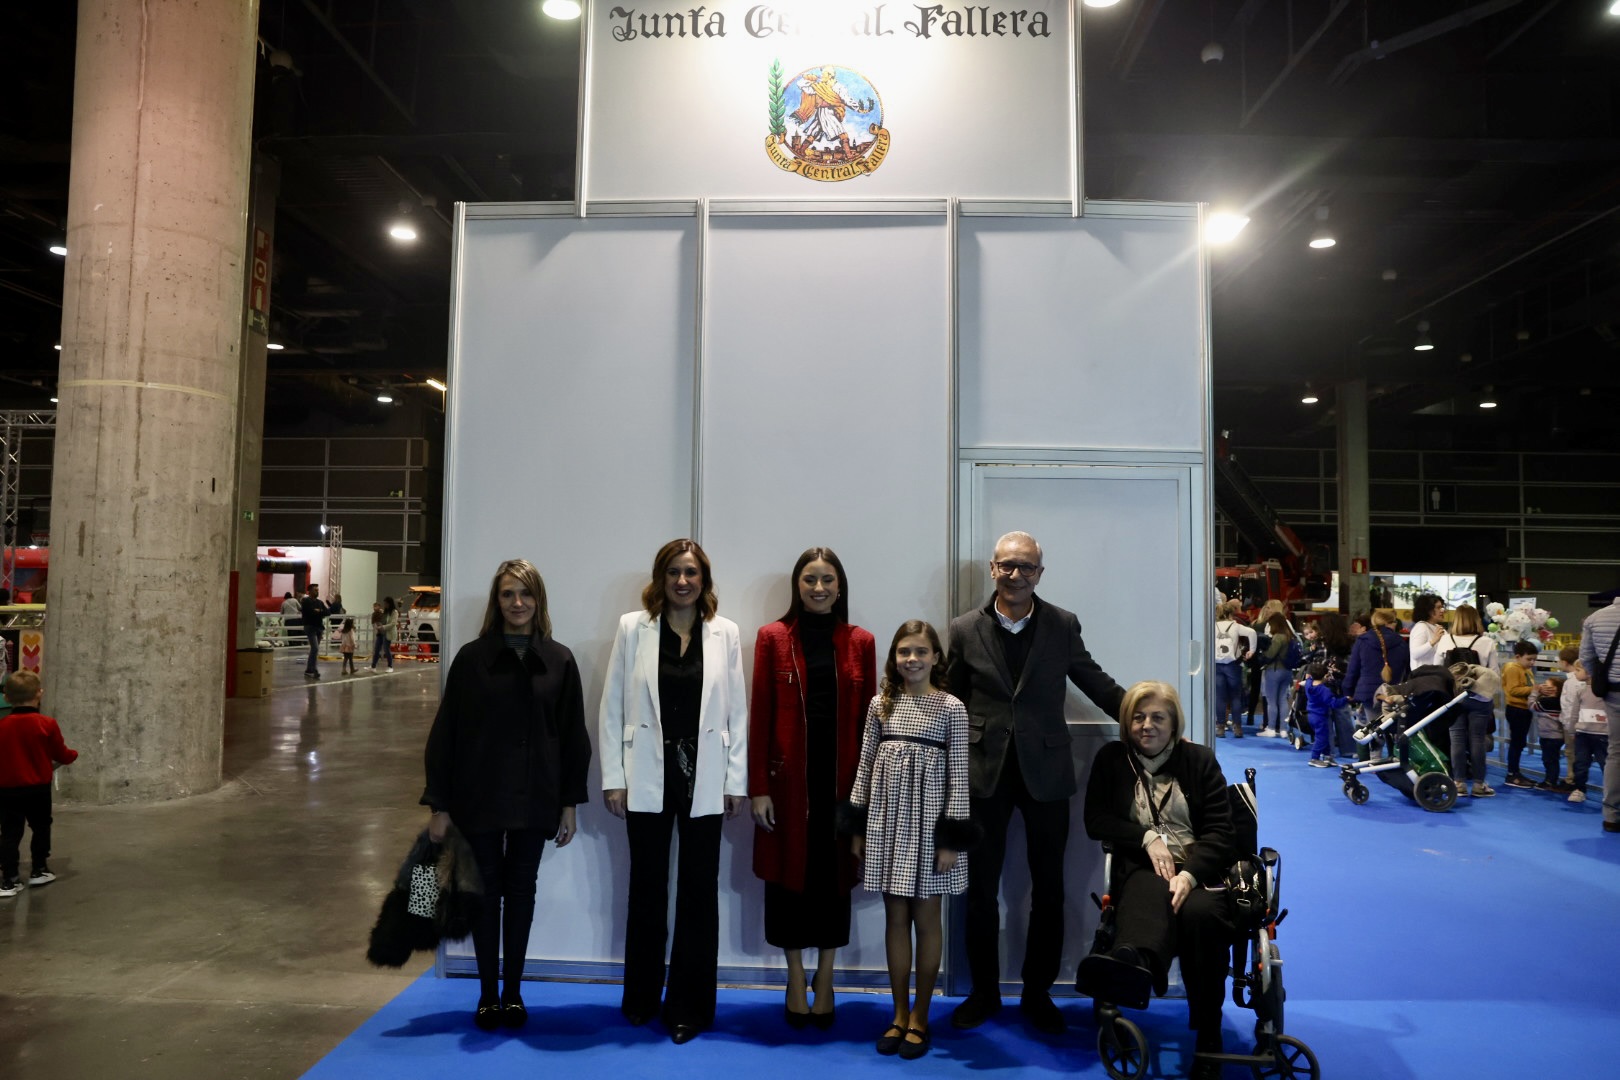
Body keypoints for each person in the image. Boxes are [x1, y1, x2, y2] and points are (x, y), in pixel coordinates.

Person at [946, 531, 1125, 1035]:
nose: (1016, 574)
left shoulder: (1062, 625)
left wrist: (1143, 717)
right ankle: (984, 992)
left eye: (1026, 567)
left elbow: (1096, 682)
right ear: (993, 569)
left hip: (1046, 774)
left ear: (1040, 574)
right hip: (982, 774)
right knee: (979, 892)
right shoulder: (963, 629)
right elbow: (947, 699)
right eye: (1007, 565)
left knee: (1049, 890)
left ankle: (1037, 992)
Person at [421, 559, 590, 1031]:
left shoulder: (560, 659)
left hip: (536, 795)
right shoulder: (472, 659)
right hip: (479, 794)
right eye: (508, 594)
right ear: (497, 602)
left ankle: (513, 993)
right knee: (484, 893)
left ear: (539, 599)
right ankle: (487, 995)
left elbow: (573, 737)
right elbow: (446, 733)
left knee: (521, 892)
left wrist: (570, 803)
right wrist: (439, 804)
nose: (518, 603)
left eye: (526, 593)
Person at [599, 539, 749, 1044]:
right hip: (646, 772)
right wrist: (614, 777)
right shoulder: (632, 628)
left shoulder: (725, 632)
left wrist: (735, 780)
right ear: (659, 578)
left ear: (704, 579)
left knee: (698, 893)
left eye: (691, 572)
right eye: (673, 572)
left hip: (704, 775)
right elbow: (612, 705)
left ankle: (690, 1006)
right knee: (646, 887)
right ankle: (642, 998)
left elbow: (737, 712)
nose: (682, 581)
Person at [1077, 681, 1236, 1080]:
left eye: (1157, 717)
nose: (1147, 725)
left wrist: (1190, 874)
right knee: (1147, 891)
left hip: (1200, 870)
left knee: (1201, 915)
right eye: (1138, 717)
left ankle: (1209, 1032)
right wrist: (1146, 837)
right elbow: (1096, 820)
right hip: (1141, 865)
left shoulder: (1199, 760)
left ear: (1174, 723)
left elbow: (1221, 832)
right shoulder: (1112, 759)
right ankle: (1136, 964)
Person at [748, 547, 876, 1028]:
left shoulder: (860, 641)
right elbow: (761, 714)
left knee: (832, 879)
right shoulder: (773, 638)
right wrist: (759, 786)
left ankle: (826, 976)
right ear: (797, 586)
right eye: (809, 579)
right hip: (787, 784)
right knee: (788, 878)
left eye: (827, 580)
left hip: (841, 783)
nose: (818, 588)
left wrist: (864, 798)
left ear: (840, 587)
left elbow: (869, 725)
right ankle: (795, 975)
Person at [842, 621, 975, 1060]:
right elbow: (864, 766)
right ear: (894, 657)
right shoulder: (881, 703)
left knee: (927, 918)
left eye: (921, 651)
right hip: (886, 823)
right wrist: (857, 826)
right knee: (894, 917)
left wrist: (951, 838)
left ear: (936, 657)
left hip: (930, 827)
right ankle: (898, 1014)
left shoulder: (951, 707)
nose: (912, 659)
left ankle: (921, 1015)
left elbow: (959, 777)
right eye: (904, 652)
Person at [0, 671, 79, 897]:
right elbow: (61, 753)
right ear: (39, 694)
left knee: (9, 832)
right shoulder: (46, 724)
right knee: (41, 826)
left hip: (6, 789)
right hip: (38, 789)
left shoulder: (2, 726)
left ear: (6, 697)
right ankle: (39, 869)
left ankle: (9, 880)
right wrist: (72, 755)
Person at [1577, 594, 1620, 834]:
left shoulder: (1595, 618)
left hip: (1614, 692)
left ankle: (1612, 814)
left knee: (1616, 752)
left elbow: (1586, 658)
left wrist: (1601, 677)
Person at [1344, 609, 1409, 759]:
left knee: (1372, 727)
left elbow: (1353, 669)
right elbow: (1406, 670)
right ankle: (1393, 758)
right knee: (1389, 727)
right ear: (1392, 623)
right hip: (1392, 692)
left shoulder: (1363, 640)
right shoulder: (1401, 642)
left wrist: (1348, 691)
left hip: (1368, 692)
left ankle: (1372, 760)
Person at [1448, 663, 1501, 798]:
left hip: (1456, 698)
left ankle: (1459, 784)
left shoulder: (1450, 664)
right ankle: (1479, 785)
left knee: (1457, 739)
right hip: (1481, 700)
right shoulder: (1484, 667)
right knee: (1478, 739)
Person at [1561, 658, 1607, 805]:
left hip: (1603, 735)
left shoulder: (1606, 692)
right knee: (1580, 763)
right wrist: (1572, 731)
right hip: (1583, 734)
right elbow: (1575, 712)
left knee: (1606, 765)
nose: (1575, 673)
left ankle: (1611, 793)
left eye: (1578, 670)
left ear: (1589, 672)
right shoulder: (1581, 691)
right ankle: (1579, 789)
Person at [1213, 601, 1255, 739]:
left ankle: (1220, 727)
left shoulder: (1213, 626)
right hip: (1233, 664)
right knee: (1235, 697)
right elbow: (1252, 632)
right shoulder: (1235, 626)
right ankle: (1237, 727)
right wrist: (1251, 650)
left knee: (1220, 697)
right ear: (1231, 613)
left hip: (1217, 664)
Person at [1501, 641, 1540, 789]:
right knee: (1516, 743)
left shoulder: (1526, 669)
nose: (1532, 662)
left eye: (1534, 659)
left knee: (1519, 743)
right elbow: (1513, 690)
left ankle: (1515, 772)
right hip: (1516, 709)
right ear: (1518, 656)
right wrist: (1534, 689)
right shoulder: (1513, 669)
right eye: (1529, 659)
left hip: (1524, 709)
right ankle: (1512, 774)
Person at [1256, 614, 1297, 738]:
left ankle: (1271, 728)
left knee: (1271, 701)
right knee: (1283, 700)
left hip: (1274, 671)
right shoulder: (1291, 636)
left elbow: (1270, 654)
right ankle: (1283, 729)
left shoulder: (1278, 637)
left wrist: (1262, 652)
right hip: (1287, 671)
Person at [1303, 663, 1346, 768]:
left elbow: (1308, 678)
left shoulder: (1309, 684)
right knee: (1321, 738)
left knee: (1324, 736)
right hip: (1320, 717)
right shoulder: (1324, 690)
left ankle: (1327, 756)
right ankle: (1314, 758)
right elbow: (1334, 704)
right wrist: (1346, 699)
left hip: (1311, 715)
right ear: (1325, 676)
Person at [1431, 604, 1496, 671]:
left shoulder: (1445, 639)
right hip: (1478, 677)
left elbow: (1436, 668)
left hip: (1450, 677)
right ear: (1477, 620)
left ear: (1455, 620)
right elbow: (1494, 672)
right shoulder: (1488, 642)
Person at [1407, 594, 1446, 669]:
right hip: (1422, 674)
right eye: (1438, 607)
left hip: (1435, 673)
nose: (1442, 610)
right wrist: (1433, 641)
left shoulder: (1437, 627)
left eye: (1442, 607)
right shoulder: (1421, 627)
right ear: (1429, 611)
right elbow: (1415, 654)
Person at [300, 584, 329, 680]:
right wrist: (319, 612)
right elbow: (309, 612)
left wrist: (318, 611)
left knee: (314, 649)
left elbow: (327, 612)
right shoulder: (306, 601)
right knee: (315, 648)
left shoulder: (319, 602)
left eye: (317, 590)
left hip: (319, 627)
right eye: (315, 590)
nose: (317, 592)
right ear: (310, 591)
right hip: (310, 627)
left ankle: (310, 669)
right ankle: (312, 669)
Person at [370, 597, 396, 672]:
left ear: (389, 603)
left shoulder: (394, 612)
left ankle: (390, 666)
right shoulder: (384, 612)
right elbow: (379, 620)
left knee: (386, 649)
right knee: (376, 649)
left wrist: (383, 627)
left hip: (387, 633)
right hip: (380, 633)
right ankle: (373, 666)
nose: (385, 605)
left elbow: (393, 623)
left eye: (386, 603)